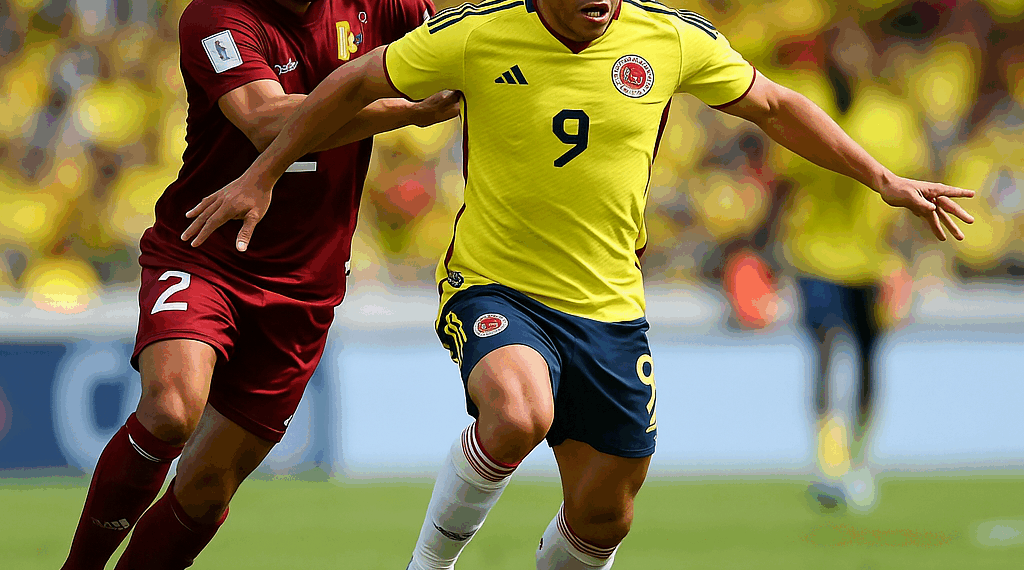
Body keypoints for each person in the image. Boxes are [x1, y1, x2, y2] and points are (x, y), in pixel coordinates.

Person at [182, 0, 976, 567]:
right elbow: (350, 83)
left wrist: (882, 178)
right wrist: (264, 171)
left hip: (608, 310)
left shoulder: (667, 37)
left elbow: (772, 105)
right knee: (520, 411)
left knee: (604, 516)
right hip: (495, 286)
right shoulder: (478, 33)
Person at [59, 0, 455, 568]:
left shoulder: (381, 6)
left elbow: (469, 38)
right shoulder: (216, 16)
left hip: (305, 285)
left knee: (206, 487)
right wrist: (406, 111)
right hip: (207, 249)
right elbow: (268, 120)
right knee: (171, 408)